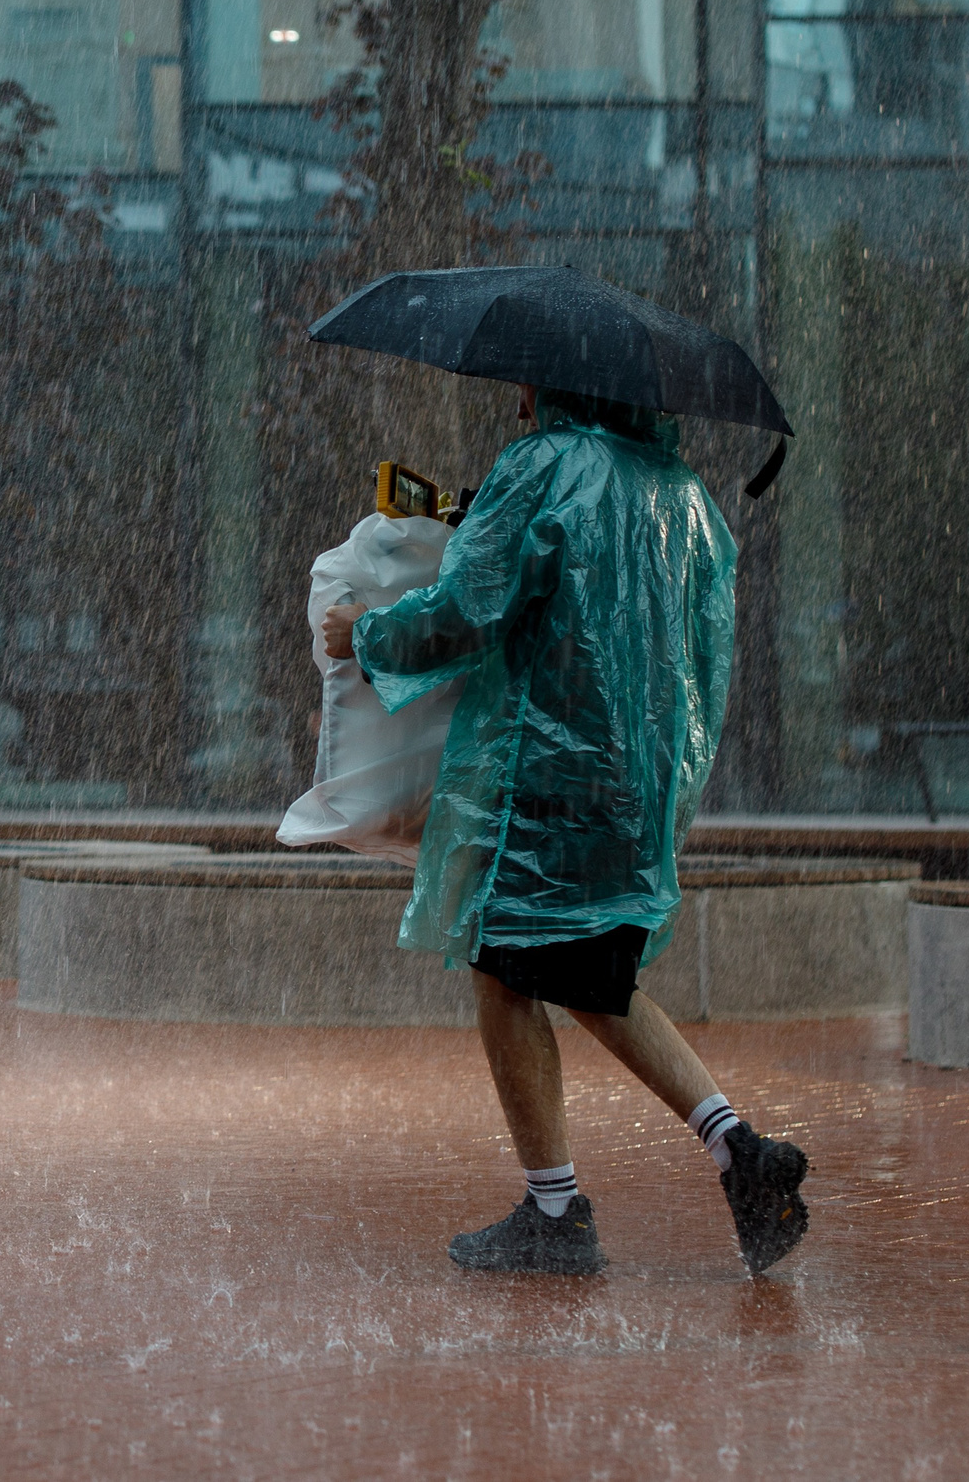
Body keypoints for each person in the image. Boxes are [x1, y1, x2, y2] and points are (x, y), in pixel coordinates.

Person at [321, 386, 808, 1276]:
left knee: (503, 971)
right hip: (636, 785)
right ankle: (740, 1150)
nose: (516, 398)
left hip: (543, 780)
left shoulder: (544, 466)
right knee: (594, 971)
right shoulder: (686, 497)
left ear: (560, 379)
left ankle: (555, 1213)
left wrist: (368, 634)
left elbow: (466, 610)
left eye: (527, 380)